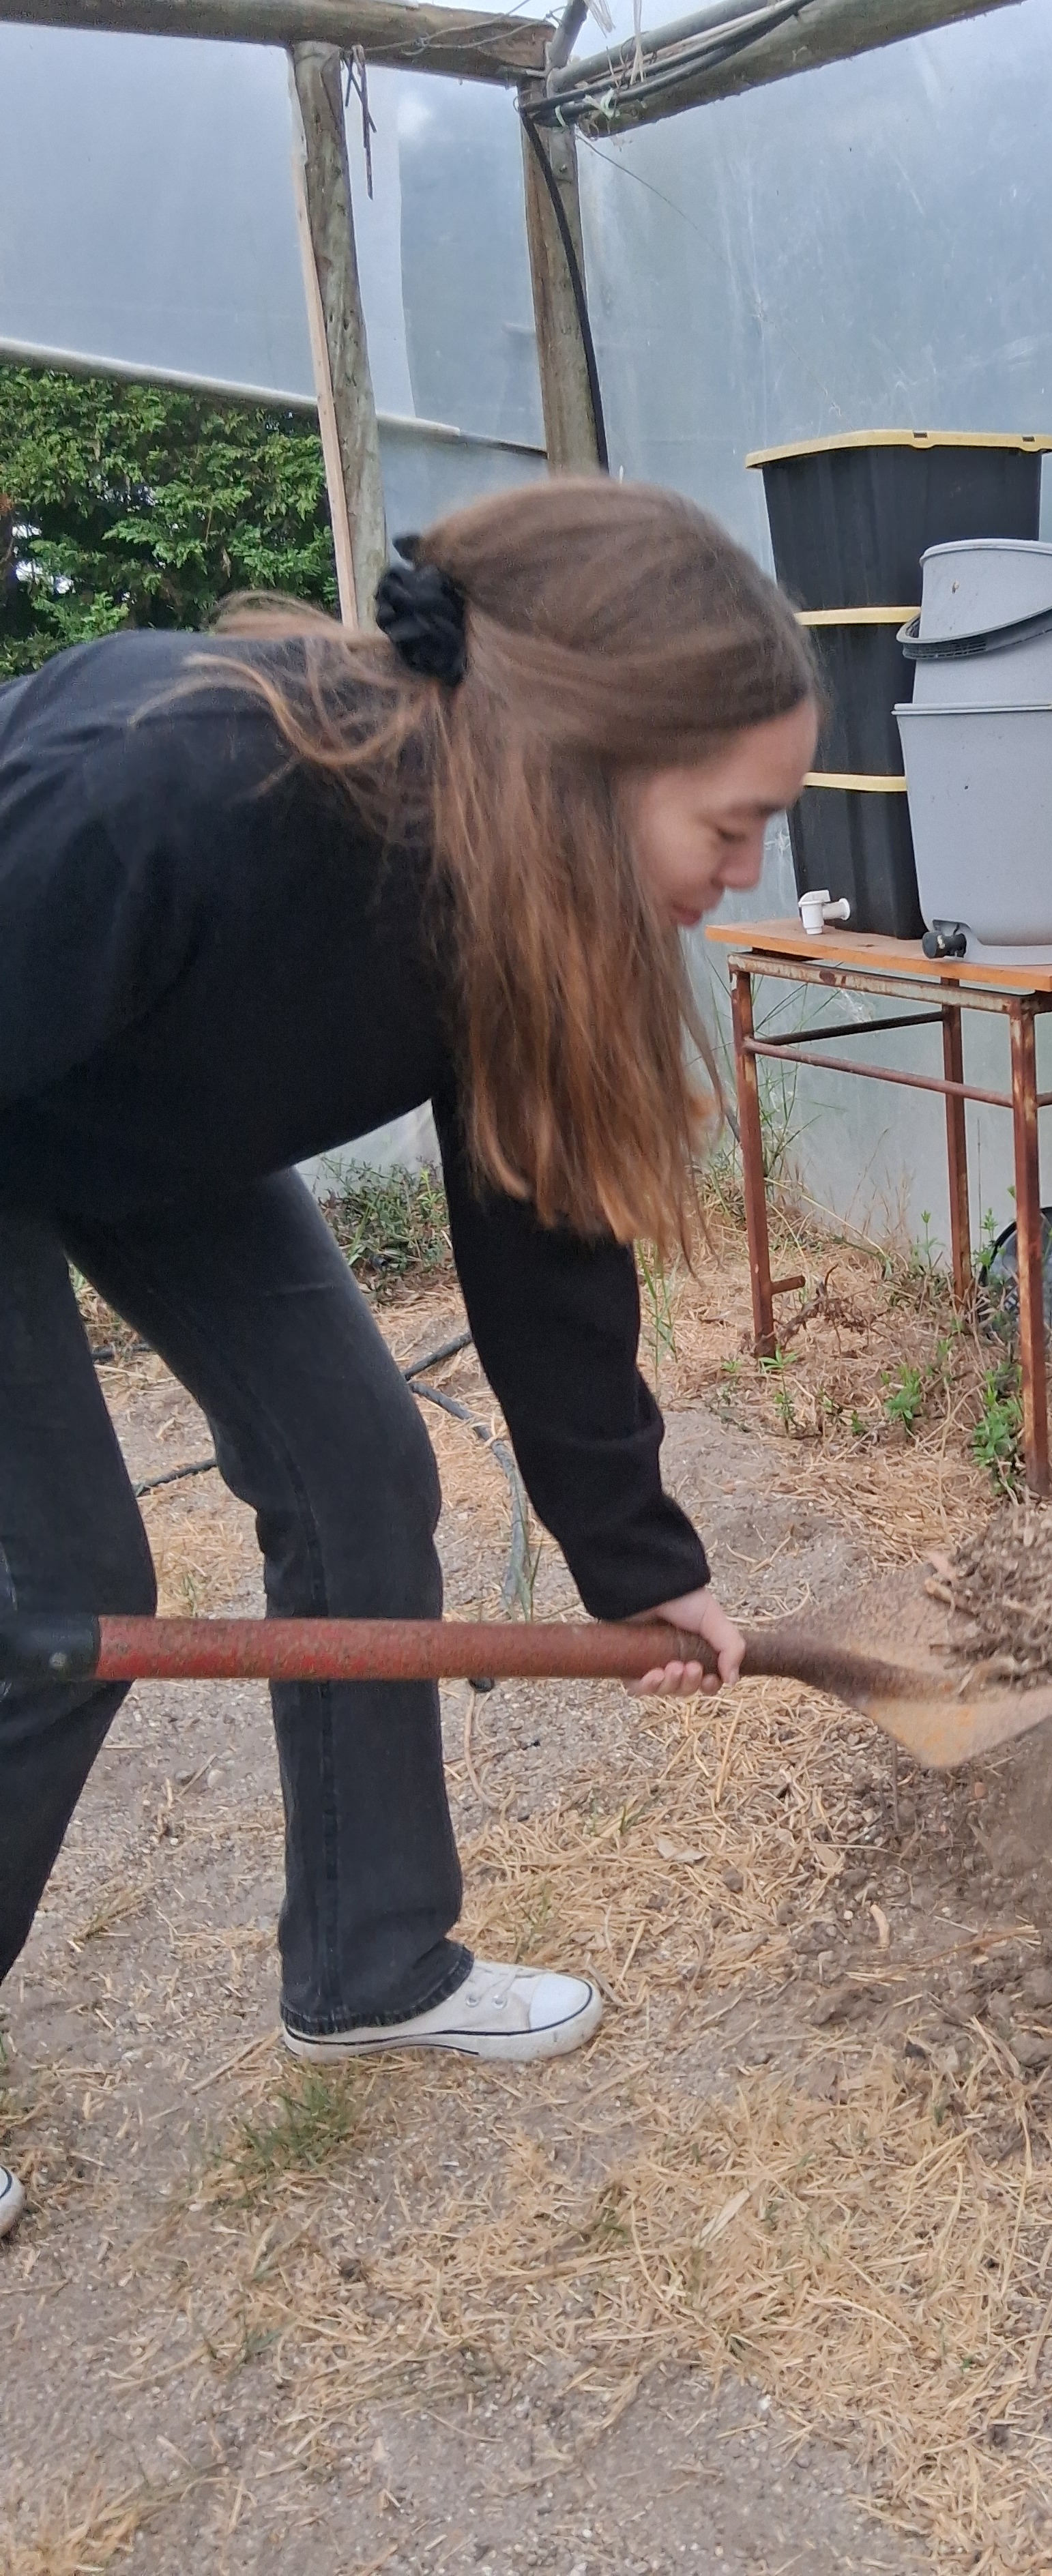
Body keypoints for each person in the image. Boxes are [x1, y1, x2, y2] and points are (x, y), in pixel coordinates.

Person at [0, 479, 819, 2244]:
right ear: (594, 758)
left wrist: (646, 1582)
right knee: (58, 1594)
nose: (752, 872)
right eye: (736, 822)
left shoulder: (525, 907)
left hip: (138, 1108)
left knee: (362, 1474)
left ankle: (367, 1958)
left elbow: (547, 1259)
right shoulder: (174, 804)